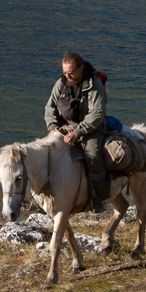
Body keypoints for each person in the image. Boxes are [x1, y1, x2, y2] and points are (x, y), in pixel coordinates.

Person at [44, 52, 111, 213]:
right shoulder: (61, 83)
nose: (68, 75)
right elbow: (50, 107)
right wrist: (52, 127)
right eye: (65, 72)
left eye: (71, 72)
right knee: (45, 149)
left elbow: (96, 114)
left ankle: (98, 197)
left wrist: (78, 132)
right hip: (65, 126)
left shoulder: (94, 85)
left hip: (91, 128)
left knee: (93, 153)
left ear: (81, 68)